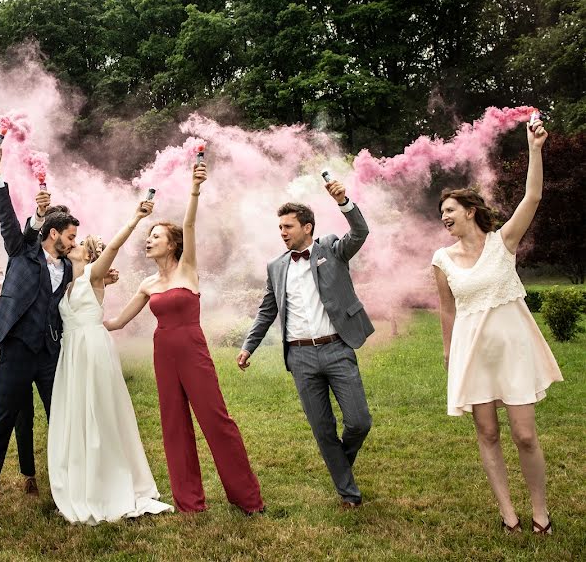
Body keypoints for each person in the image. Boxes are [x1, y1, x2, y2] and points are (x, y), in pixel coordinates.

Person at [105, 164, 264, 515]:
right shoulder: (147, 284)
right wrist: (87, 307)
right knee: (174, 426)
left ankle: (247, 499)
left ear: (173, 243)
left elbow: (190, 224)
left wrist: (194, 190)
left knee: (216, 421)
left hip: (193, 351)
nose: (149, 240)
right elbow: (115, 322)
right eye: (148, 237)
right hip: (163, 354)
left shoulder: (187, 268)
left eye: (156, 236)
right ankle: (190, 503)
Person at [431, 117, 562, 535]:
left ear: (470, 211)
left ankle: (540, 511)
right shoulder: (442, 260)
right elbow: (447, 311)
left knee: (524, 435)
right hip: (473, 354)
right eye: (441, 214)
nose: (444, 218)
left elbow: (534, 196)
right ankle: (508, 514)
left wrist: (535, 150)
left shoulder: (503, 244)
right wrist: (450, 353)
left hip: (512, 349)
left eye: (449, 211)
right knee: (487, 434)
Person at [236, 178, 373, 510]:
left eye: (288, 226)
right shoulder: (276, 266)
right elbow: (267, 310)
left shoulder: (330, 249)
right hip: (300, 357)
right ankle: (348, 493)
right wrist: (248, 346)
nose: (282, 232)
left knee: (359, 421)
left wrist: (344, 201)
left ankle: (339, 463)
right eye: (279, 227)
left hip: (337, 348)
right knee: (323, 428)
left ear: (307, 227)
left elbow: (360, 233)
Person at [0, 143, 78, 522]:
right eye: (69, 236)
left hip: (49, 354)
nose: (73, 242)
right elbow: (7, 221)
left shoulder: (66, 268)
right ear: (51, 234)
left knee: (61, 419)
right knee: (2, 421)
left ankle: (70, 490)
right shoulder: (21, 251)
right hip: (16, 349)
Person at [48, 200, 174, 524]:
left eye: (77, 244)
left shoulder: (94, 274)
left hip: (92, 348)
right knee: (76, 413)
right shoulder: (63, 284)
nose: (71, 246)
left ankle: (109, 480)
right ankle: (80, 479)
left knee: (100, 412)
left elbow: (115, 245)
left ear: (88, 254)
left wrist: (135, 218)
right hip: (71, 352)